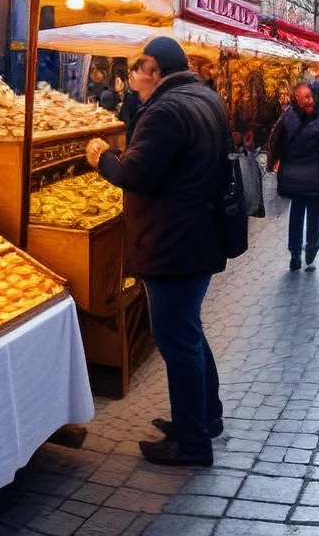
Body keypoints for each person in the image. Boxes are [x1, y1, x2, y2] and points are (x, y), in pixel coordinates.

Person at [85, 37, 228, 467]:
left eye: (136, 68)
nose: (131, 76)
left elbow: (138, 174)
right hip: (197, 234)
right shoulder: (203, 97)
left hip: (172, 242)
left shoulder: (166, 110)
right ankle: (204, 417)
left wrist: (101, 157)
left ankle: (191, 441)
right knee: (189, 333)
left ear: (155, 70)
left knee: (176, 340)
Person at [267, 76, 319, 272]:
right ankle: (311, 248)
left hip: (293, 177)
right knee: (314, 213)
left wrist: (272, 162)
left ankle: (295, 252)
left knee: (296, 212)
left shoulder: (288, 115)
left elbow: (275, 140)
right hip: (317, 178)